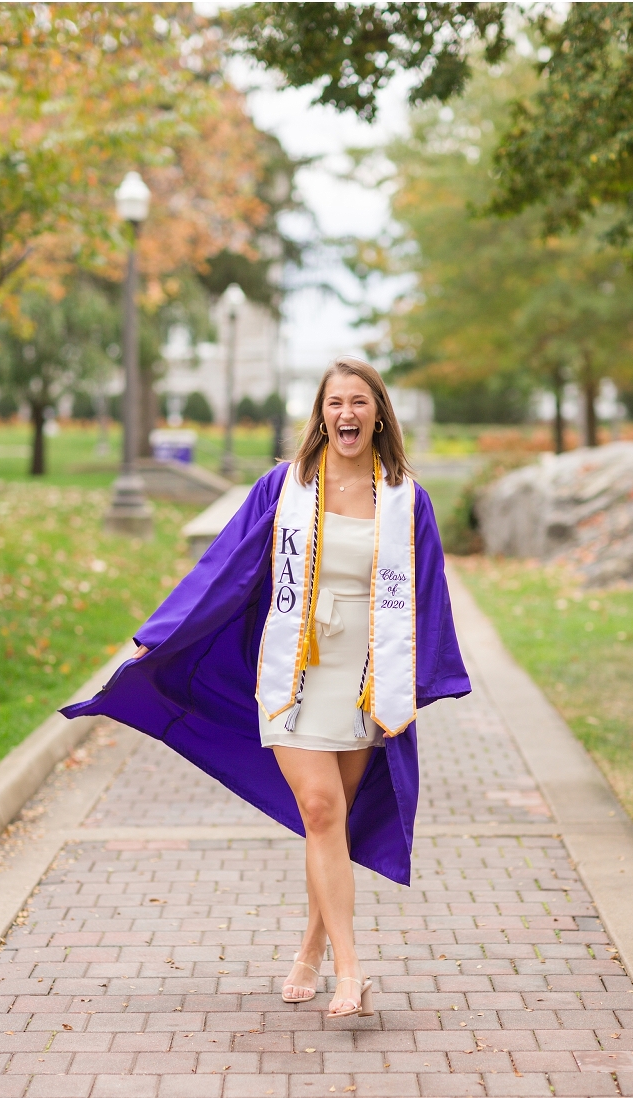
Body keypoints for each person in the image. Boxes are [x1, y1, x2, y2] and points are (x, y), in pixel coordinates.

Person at [62, 357, 471, 1019]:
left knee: (330, 819)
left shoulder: (404, 497)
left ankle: (311, 948)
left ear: (378, 414)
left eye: (360, 402)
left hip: (363, 676)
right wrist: (158, 635)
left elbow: (428, 590)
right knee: (318, 806)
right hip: (290, 669)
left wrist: (424, 679)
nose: (347, 413)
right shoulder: (284, 488)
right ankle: (351, 969)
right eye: (336, 402)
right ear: (321, 414)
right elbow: (220, 564)